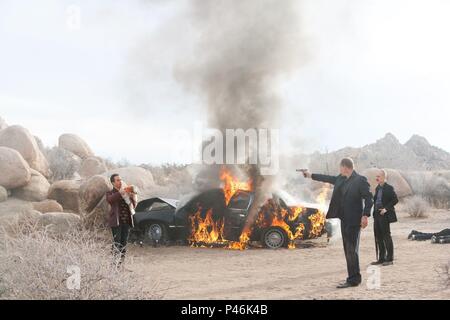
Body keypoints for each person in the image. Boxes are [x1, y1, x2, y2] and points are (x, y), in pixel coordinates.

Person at [302, 158, 373, 288]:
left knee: (352, 250)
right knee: (348, 250)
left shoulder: (360, 180)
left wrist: (365, 215)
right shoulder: (341, 178)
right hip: (344, 219)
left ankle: (353, 279)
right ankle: (353, 278)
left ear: (345, 167)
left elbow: (369, 198)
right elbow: (327, 178)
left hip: (354, 220)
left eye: (340, 167)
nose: (339, 170)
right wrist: (310, 175)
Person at [106, 174, 136, 267]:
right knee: (117, 242)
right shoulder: (110, 193)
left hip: (126, 221)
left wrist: (132, 196)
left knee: (124, 243)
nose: (120, 181)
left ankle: (121, 264)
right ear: (113, 183)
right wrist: (120, 192)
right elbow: (110, 200)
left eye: (120, 179)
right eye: (118, 180)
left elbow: (133, 206)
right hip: (116, 222)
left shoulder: (126, 192)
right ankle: (114, 264)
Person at [371, 169, 398, 266]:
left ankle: (389, 259)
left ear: (384, 177)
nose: (376, 178)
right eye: (376, 176)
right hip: (377, 215)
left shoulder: (389, 188)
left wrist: (385, 209)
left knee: (386, 236)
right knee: (378, 237)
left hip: (384, 214)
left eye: (378, 176)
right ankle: (381, 258)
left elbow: (395, 200)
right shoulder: (377, 188)